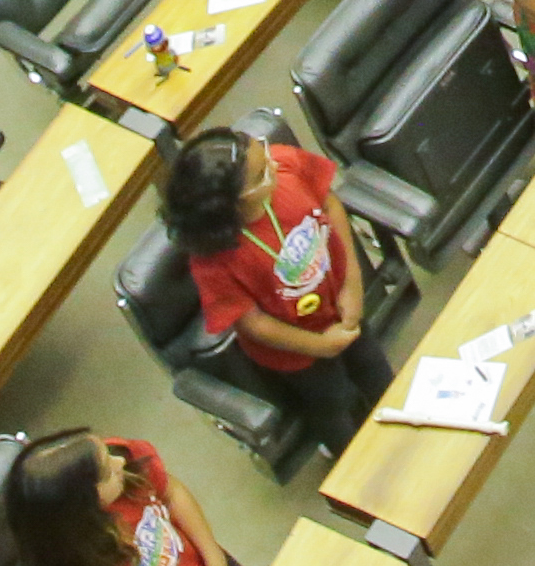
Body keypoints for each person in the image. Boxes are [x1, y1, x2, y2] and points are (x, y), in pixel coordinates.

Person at [159, 124, 379, 433]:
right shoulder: (213, 260)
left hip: (341, 308)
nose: (273, 165)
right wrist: (320, 346)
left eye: (264, 151)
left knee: (375, 372)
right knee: (335, 406)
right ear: (229, 204)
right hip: (297, 352)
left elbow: (330, 204)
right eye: (261, 175)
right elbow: (253, 323)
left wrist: (352, 286)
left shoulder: (284, 165)